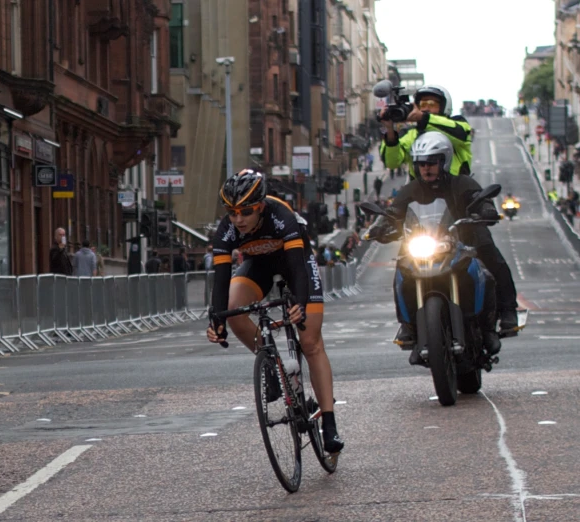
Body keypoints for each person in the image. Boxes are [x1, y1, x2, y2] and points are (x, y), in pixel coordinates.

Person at [206, 168, 344, 453]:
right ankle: (272, 363)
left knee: (310, 342)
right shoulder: (227, 230)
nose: (238, 219)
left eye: (245, 211)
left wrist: (299, 305)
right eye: (232, 212)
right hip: (260, 265)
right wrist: (216, 320)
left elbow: (296, 268)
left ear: (260, 205)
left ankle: (329, 422)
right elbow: (220, 281)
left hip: (295, 262)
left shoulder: (281, 216)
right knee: (234, 309)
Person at [368, 132, 509, 362]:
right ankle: (409, 328)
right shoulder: (410, 190)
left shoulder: (462, 183)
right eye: (421, 164)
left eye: (431, 162)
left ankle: (488, 329)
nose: (426, 168)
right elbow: (394, 213)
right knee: (401, 276)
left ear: (443, 161)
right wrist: (380, 227)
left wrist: (485, 209)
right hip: (422, 247)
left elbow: (479, 198)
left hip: (459, 244)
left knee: (485, 275)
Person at [379, 85, 473, 178]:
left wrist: (424, 119)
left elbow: (461, 133)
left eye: (432, 104)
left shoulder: (458, 124)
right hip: (421, 191)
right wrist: (390, 131)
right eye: (423, 104)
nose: (426, 108)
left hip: (456, 190)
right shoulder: (411, 134)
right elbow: (392, 163)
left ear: (444, 106)